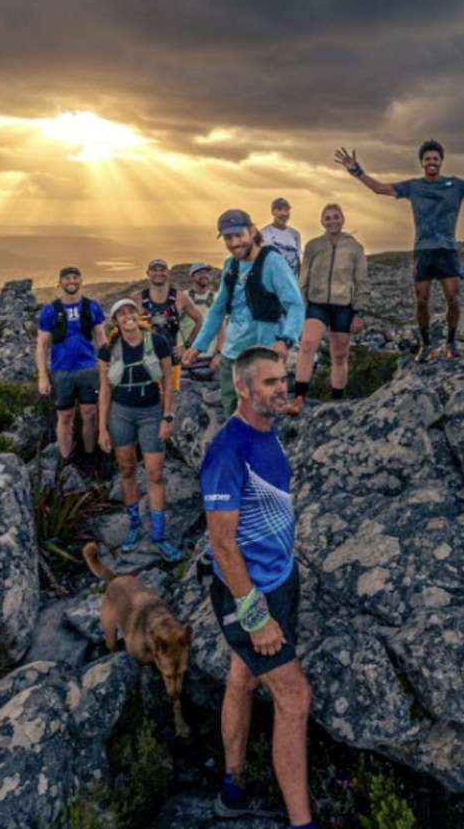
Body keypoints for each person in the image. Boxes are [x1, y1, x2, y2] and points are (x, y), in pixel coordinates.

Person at [199, 346, 316, 827]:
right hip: (248, 593)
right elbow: (222, 545)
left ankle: (232, 789)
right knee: (294, 699)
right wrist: (254, 614)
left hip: (279, 578)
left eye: (282, 379)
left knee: (243, 678)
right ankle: (301, 822)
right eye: (269, 382)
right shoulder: (228, 451)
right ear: (242, 388)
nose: (281, 388)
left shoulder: (267, 431)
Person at [334, 140, 464, 362]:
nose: (432, 162)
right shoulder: (413, 186)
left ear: (441, 162)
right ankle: (426, 344)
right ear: (422, 163)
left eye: (435, 159)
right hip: (423, 250)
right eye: (428, 159)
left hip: (447, 249)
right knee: (421, 299)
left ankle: (451, 342)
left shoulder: (455, 185)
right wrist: (357, 172)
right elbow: (379, 189)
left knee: (453, 297)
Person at [181, 209, 305, 419]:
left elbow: (295, 305)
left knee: (260, 417)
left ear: (252, 231)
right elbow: (218, 309)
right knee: (233, 414)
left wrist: (285, 340)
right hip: (231, 357)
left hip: (261, 355)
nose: (234, 242)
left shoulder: (272, 262)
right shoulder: (231, 265)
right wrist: (198, 346)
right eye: (228, 237)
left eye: (239, 235)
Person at [96, 298, 183, 562]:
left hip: (150, 412)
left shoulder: (157, 343)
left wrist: (167, 417)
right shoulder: (108, 351)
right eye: (121, 314)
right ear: (116, 321)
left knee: (155, 474)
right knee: (127, 469)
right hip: (121, 414)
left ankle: (158, 535)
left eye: (131, 311)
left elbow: (168, 379)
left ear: (138, 315)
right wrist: (102, 428)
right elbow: (105, 390)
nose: (127, 316)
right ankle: (134, 525)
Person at [288, 204, 370, 414]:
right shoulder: (314, 246)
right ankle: (299, 396)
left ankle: (336, 401)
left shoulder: (355, 248)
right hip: (317, 304)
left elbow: (361, 281)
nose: (332, 221)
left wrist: (359, 312)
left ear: (342, 219)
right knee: (307, 344)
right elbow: (303, 277)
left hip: (344, 306)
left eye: (335, 217)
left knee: (340, 355)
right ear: (322, 222)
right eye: (328, 218)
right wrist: (300, 305)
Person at [35, 266, 106, 466]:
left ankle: (90, 456)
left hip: (88, 368)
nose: (71, 281)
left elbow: (101, 337)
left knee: (89, 414)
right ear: (60, 283)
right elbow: (41, 345)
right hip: (61, 370)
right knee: (64, 416)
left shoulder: (92, 307)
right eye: (67, 278)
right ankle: (66, 458)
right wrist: (43, 375)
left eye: (75, 277)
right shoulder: (50, 310)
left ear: (81, 280)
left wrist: (106, 366)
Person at [139, 259, 204, 390]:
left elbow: (200, 320)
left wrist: (187, 346)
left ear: (168, 273)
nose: (159, 273)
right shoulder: (138, 298)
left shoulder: (179, 298)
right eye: (154, 270)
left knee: (172, 399)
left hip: (172, 361)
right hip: (145, 361)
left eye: (162, 270)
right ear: (148, 273)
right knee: (148, 402)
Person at [180, 262, 224, 361]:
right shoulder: (182, 297)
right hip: (185, 356)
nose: (204, 275)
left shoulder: (217, 298)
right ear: (192, 277)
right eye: (199, 273)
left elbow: (221, 327)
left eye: (206, 272)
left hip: (210, 357)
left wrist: (218, 354)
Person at [261, 197, 303, 278]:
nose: (284, 213)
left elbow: (298, 261)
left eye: (286, 210)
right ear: (273, 212)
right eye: (280, 209)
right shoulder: (263, 233)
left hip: (291, 284)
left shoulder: (295, 234)